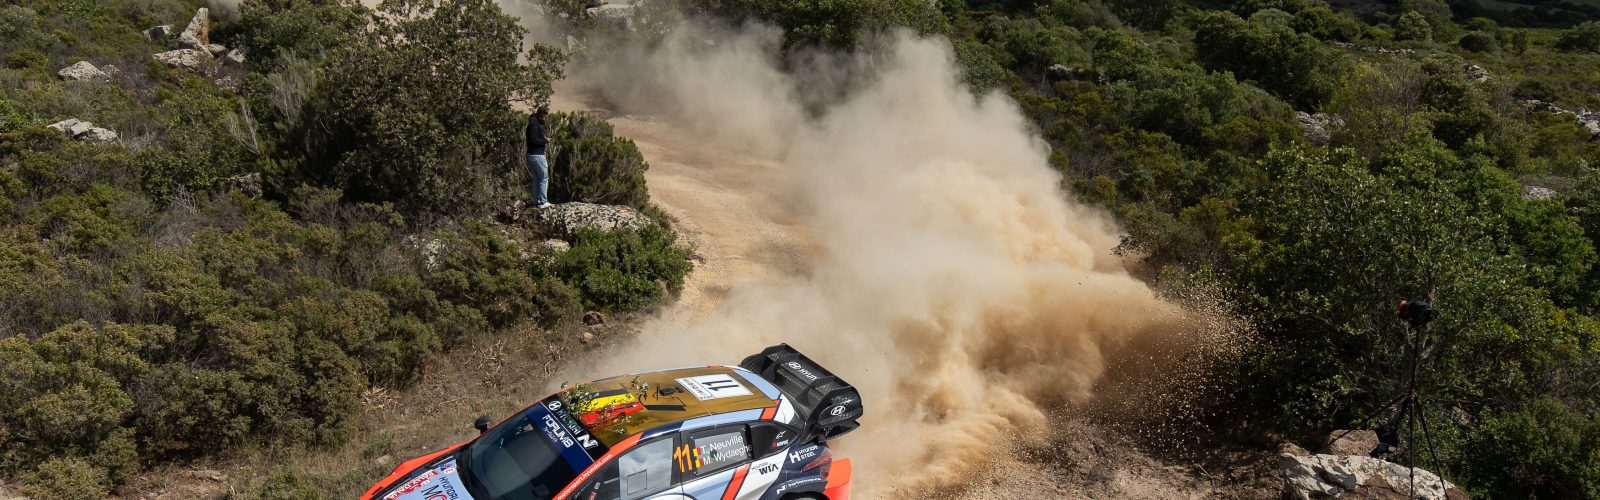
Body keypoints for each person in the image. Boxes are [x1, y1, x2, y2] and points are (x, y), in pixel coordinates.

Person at [526, 107, 552, 208]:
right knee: (543, 178)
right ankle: (542, 202)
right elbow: (533, 141)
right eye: (543, 117)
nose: (544, 119)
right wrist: (545, 141)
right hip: (537, 156)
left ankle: (536, 202)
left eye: (545, 117)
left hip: (532, 155)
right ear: (539, 115)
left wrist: (542, 138)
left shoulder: (533, 123)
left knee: (536, 179)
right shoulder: (534, 125)